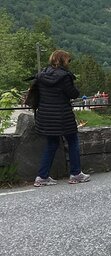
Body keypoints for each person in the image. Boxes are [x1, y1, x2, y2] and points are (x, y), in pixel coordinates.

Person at [33, 50, 91, 187]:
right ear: (63, 60)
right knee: (72, 141)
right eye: (68, 60)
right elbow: (73, 94)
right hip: (62, 115)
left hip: (45, 116)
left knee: (51, 144)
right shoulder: (65, 77)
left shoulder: (42, 75)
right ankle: (76, 174)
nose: (69, 63)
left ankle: (42, 176)